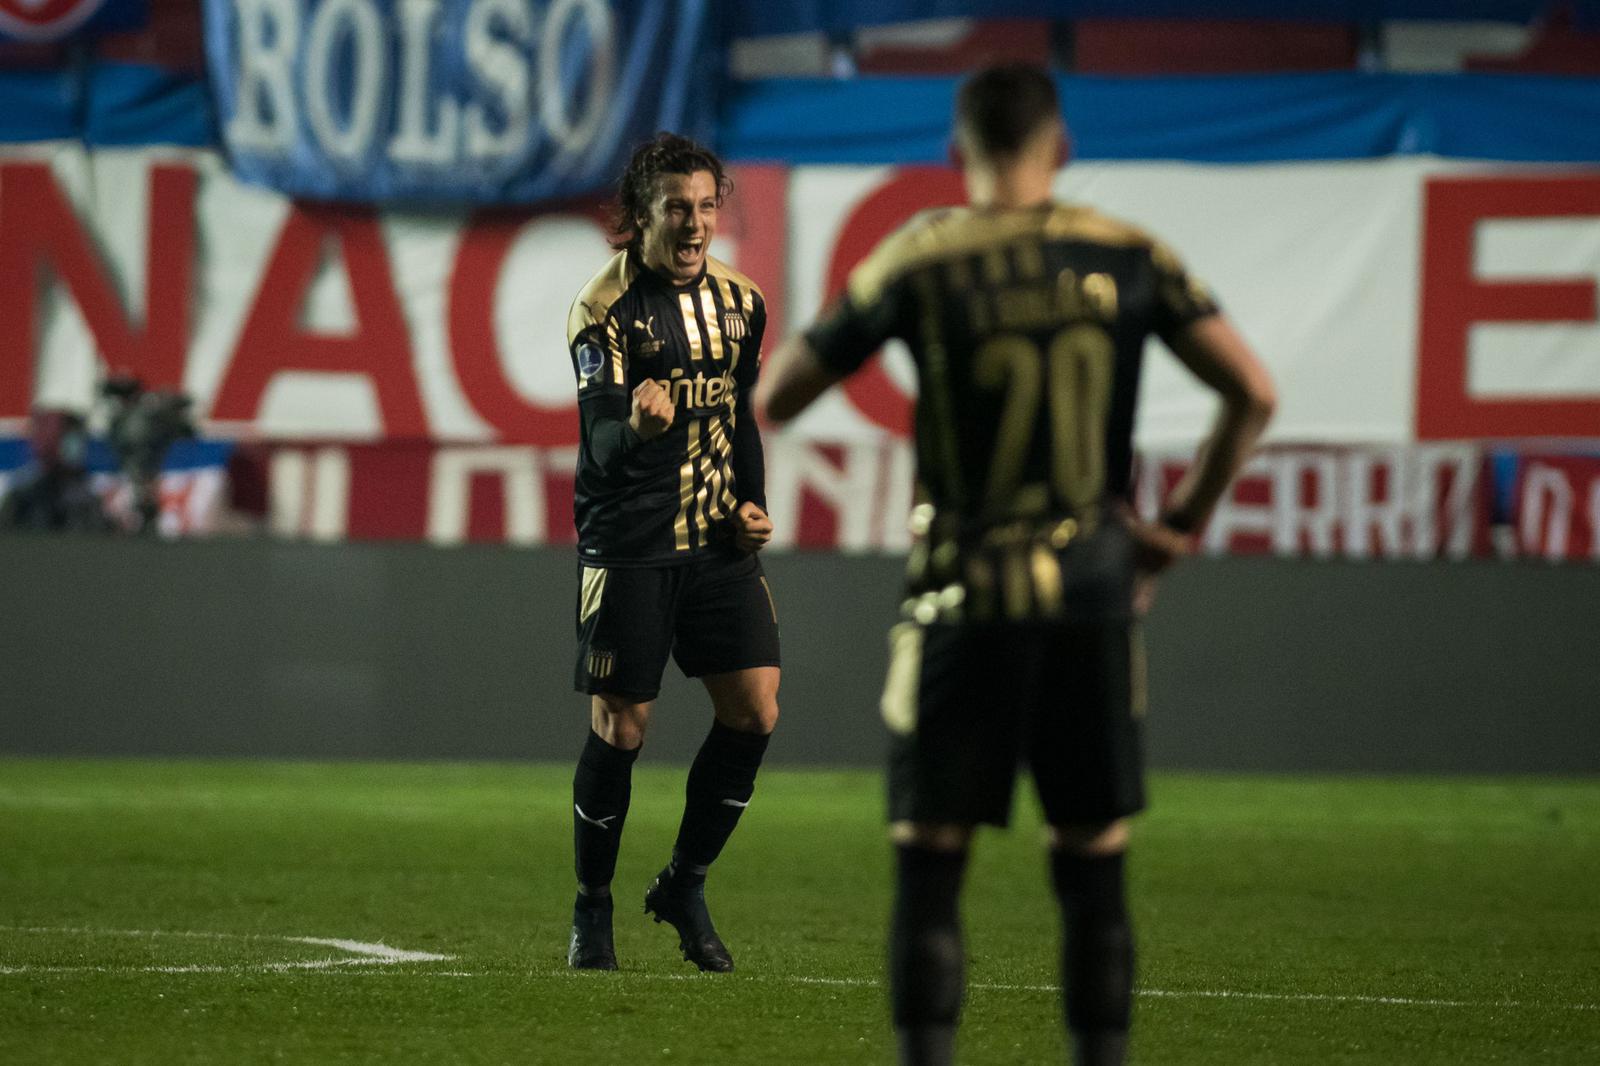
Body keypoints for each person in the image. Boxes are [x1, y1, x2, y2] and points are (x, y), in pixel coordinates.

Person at [756, 64, 1275, 1066]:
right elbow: (1250, 390)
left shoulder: (917, 257)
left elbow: (779, 398)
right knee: (1090, 862)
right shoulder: (1128, 255)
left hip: (962, 596)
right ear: (1063, 148)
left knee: (931, 863)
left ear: (956, 155)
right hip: (1090, 596)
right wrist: (1174, 523)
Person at [563, 132, 781, 975]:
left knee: (755, 709)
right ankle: (592, 909)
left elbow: (741, 414)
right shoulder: (603, 307)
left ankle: (684, 883)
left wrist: (753, 501)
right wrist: (638, 427)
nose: (695, 226)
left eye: (706, 208)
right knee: (623, 725)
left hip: (717, 543)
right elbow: (599, 445)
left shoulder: (742, 303)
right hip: (629, 544)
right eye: (677, 210)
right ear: (640, 217)